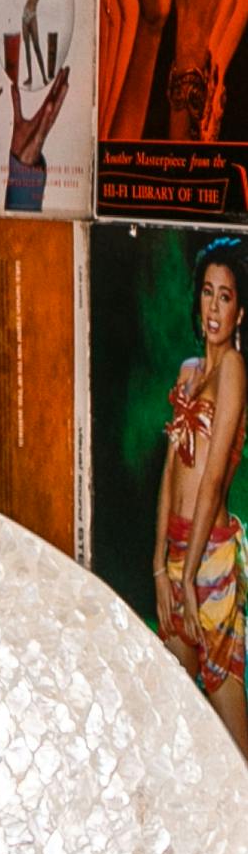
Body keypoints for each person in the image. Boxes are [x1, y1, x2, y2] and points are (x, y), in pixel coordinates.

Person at [160, 242, 248, 753]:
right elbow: (170, 475)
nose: (214, 308)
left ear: (241, 311)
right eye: (209, 295)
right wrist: (160, 567)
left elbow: (212, 482)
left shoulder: (234, 369)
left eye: (226, 298)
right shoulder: (188, 371)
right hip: (176, 557)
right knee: (165, 697)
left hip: (208, 560)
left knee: (235, 746)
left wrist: (190, 576)